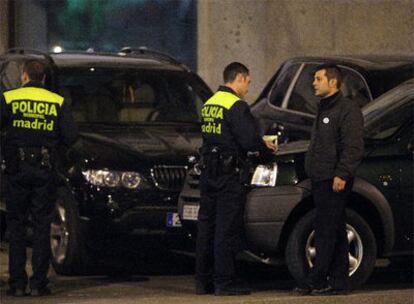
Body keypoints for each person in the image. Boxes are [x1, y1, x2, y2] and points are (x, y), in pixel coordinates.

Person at [195, 62, 276, 296]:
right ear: (239, 78)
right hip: (228, 175)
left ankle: (203, 281)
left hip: (208, 172)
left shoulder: (210, 103)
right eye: (248, 82)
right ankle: (224, 282)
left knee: (206, 228)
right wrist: (266, 149)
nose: (248, 88)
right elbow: (249, 141)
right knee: (226, 229)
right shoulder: (236, 105)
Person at [0, 60, 78, 297]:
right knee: (42, 225)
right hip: (45, 170)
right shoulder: (57, 102)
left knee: (16, 226)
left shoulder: (9, 98)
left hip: (17, 169)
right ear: (43, 78)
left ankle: (16, 283)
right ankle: (39, 283)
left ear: (24, 76)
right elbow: (71, 136)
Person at [297, 64, 364, 295]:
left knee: (325, 229)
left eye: (318, 79)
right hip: (320, 177)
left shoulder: (347, 110)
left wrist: (341, 173)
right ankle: (339, 282)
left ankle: (314, 279)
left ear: (333, 82)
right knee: (334, 229)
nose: (314, 83)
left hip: (333, 179)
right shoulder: (323, 108)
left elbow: (352, 146)